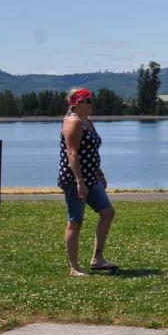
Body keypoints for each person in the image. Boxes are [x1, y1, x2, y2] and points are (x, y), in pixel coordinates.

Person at [58, 88, 118, 276]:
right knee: (75, 221)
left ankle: (97, 259)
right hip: (75, 179)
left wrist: (99, 173)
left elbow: (92, 151)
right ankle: (74, 267)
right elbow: (72, 153)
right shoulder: (73, 122)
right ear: (78, 103)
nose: (92, 104)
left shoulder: (87, 121)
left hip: (92, 177)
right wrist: (79, 182)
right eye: (88, 101)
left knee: (107, 213)